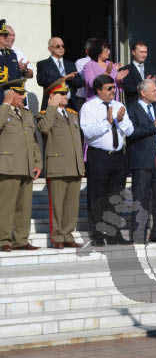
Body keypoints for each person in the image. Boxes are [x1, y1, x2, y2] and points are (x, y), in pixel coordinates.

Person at [80, 75, 133, 246]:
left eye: (114, 87)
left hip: (118, 156)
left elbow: (130, 130)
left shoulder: (118, 105)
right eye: (109, 88)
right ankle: (97, 234)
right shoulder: (89, 107)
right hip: (99, 156)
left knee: (116, 196)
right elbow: (88, 132)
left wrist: (120, 121)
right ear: (98, 90)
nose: (113, 91)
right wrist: (107, 122)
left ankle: (113, 233)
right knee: (97, 195)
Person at [126, 79, 156, 243]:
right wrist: (153, 125)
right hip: (142, 162)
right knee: (141, 200)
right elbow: (132, 133)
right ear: (143, 92)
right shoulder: (131, 109)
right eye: (154, 91)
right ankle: (138, 235)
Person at [38, 81, 84, 248]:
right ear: (52, 95)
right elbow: (44, 129)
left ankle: (68, 235)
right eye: (62, 93)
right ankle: (57, 237)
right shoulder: (45, 114)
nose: (66, 96)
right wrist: (52, 107)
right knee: (57, 204)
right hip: (57, 166)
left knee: (72, 205)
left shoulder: (72, 114)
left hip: (74, 165)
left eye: (66, 93)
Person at [0, 80, 42, 252]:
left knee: (24, 207)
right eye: (20, 93)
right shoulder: (2, 111)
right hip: (8, 165)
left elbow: (32, 140)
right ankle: (3, 240)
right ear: (10, 94)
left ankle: (21, 239)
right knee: (6, 206)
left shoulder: (26, 113)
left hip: (27, 166)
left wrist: (38, 162)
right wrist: (5, 105)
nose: (23, 97)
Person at [35, 37, 85, 111]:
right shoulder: (43, 64)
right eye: (58, 46)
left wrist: (71, 79)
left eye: (63, 46)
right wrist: (63, 78)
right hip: (52, 103)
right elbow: (41, 81)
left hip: (70, 104)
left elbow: (80, 82)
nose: (61, 48)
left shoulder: (70, 64)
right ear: (50, 49)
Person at [74, 38, 95, 105]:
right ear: (87, 51)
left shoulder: (104, 62)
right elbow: (82, 80)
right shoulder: (81, 62)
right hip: (84, 99)